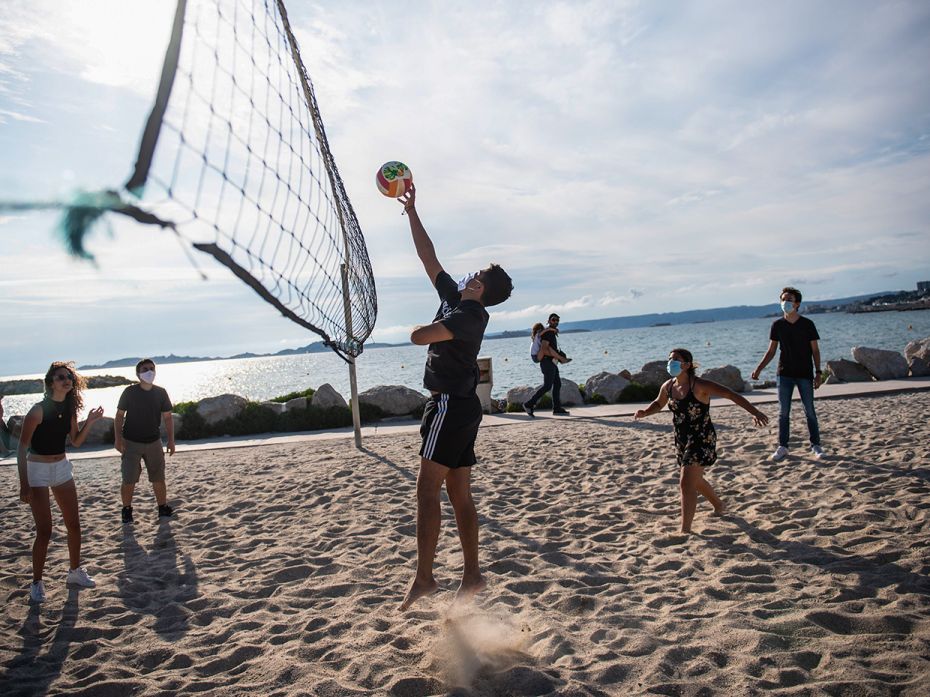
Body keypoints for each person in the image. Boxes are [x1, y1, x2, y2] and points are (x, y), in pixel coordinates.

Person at [397, 183, 513, 611]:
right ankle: (472, 575)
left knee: (427, 490)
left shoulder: (468, 314)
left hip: (448, 405)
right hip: (461, 407)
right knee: (459, 494)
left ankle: (425, 578)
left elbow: (418, 336)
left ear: (480, 288)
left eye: (477, 276)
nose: (471, 276)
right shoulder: (454, 299)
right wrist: (411, 212)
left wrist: (417, 331)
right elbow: (429, 257)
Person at [635, 349, 769, 533]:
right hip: (681, 438)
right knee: (695, 480)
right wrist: (644, 412)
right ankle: (719, 505)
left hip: (702, 437)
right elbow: (659, 403)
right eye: (669, 359)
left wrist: (755, 412)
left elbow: (731, 394)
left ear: (687, 365)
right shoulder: (668, 386)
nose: (671, 362)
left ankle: (685, 530)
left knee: (686, 482)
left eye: (676, 359)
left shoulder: (700, 386)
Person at [17, 361, 104, 602]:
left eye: (69, 377)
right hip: (37, 470)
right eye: (60, 377)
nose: (66, 380)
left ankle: (75, 573)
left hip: (62, 467)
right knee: (44, 531)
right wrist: (24, 483)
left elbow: (75, 442)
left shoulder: (69, 409)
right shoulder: (37, 411)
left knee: (74, 525)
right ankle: (36, 583)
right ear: (50, 383)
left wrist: (90, 422)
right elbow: (22, 448)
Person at [751, 287, 824, 461]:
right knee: (783, 412)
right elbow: (771, 351)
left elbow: (815, 350)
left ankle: (816, 445)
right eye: (783, 299)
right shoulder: (777, 325)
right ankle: (783, 446)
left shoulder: (807, 324)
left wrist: (819, 372)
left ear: (797, 303)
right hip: (784, 374)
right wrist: (759, 368)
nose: (785, 303)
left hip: (805, 373)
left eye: (789, 299)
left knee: (810, 411)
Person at [114, 358, 176, 523]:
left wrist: (171, 440)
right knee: (129, 478)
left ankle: (162, 507)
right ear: (138, 374)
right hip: (131, 442)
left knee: (158, 477)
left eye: (152, 369)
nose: (149, 372)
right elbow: (119, 416)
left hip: (154, 442)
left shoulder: (161, 392)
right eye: (145, 369)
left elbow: (168, 418)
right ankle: (126, 510)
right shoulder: (129, 392)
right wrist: (118, 439)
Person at [523, 313, 571, 417]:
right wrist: (560, 357)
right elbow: (545, 348)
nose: (556, 322)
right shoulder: (548, 333)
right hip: (547, 362)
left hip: (551, 362)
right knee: (547, 386)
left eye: (557, 320)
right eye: (553, 320)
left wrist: (557, 357)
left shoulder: (551, 332)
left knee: (557, 384)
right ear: (549, 321)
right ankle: (529, 404)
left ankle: (557, 408)